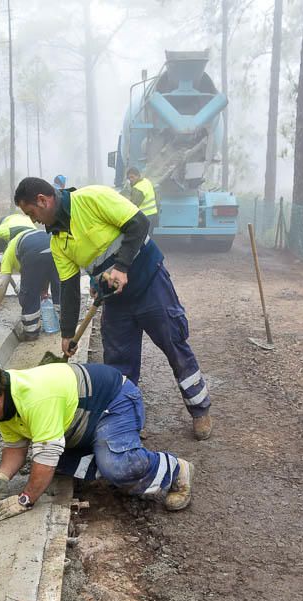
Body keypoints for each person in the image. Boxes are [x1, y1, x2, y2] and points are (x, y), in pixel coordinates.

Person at [13, 178, 212, 441]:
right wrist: (68, 334)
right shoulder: (58, 242)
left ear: (43, 200)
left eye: (31, 213)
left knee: (174, 345)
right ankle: (127, 423)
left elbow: (139, 223)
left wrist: (122, 267)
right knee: (119, 366)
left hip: (150, 284)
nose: (33, 220)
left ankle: (200, 410)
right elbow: (70, 287)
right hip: (116, 301)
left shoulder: (92, 198)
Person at [0, 362, 194, 521]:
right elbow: (16, 448)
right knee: (56, 468)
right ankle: (111, 465)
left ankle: (175, 469)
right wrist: (2, 477)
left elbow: (46, 456)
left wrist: (25, 500)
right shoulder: (3, 405)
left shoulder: (34, 398)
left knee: (116, 467)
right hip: (84, 420)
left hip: (114, 403)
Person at [0, 226, 60, 341]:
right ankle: (64, 323)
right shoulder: (29, 234)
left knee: (29, 293)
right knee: (60, 287)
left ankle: (31, 332)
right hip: (54, 242)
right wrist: (44, 289)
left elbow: (2, 284)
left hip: (32, 251)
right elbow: (45, 269)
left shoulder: (8, 252)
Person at [0, 211, 35, 289]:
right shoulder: (4, 231)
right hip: (13, 226)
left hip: (25, 230)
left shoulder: (32, 239)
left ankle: (26, 287)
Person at [125, 167, 159, 236]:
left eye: (132, 177)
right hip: (152, 214)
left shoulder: (138, 188)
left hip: (144, 216)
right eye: (129, 178)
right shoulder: (146, 181)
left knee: (142, 238)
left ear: (138, 176)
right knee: (148, 237)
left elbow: (133, 205)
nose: (131, 180)